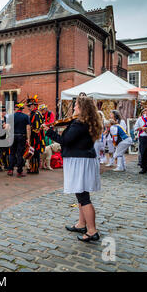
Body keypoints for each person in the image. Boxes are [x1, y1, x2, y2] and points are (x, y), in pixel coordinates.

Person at [43, 96, 103, 242]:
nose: (74, 108)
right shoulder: (87, 122)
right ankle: (82, 224)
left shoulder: (79, 123)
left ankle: (92, 230)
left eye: (76, 106)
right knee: (81, 194)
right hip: (84, 159)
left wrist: (49, 132)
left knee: (83, 196)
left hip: (79, 160)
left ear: (82, 108)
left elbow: (65, 141)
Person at [8, 103, 30, 177]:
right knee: (20, 154)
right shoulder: (26, 116)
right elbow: (28, 128)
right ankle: (19, 171)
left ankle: (10, 170)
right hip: (21, 136)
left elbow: (8, 128)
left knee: (12, 153)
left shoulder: (11, 116)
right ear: (22, 109)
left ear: (16, 109)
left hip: (12, 136)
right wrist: (28, 138)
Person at [27, 97, 45, 174]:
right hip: (35, 137)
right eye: (28, 106)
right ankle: (33, 168)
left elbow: (36, 129)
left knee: (34, 153)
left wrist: (29, 136)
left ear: (34, 106)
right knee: (33, 153)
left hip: (35, 138)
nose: (28, 107)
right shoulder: (36, 113)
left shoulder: (35, 114)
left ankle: (34, 169)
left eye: (30, 106)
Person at [0, 105, 10, 172]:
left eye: (4, 111)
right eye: (2, 111)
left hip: (5, 137)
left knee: (6, 152)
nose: (4, 112)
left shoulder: (6, 119)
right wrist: (2, 127)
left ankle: (6, 165)